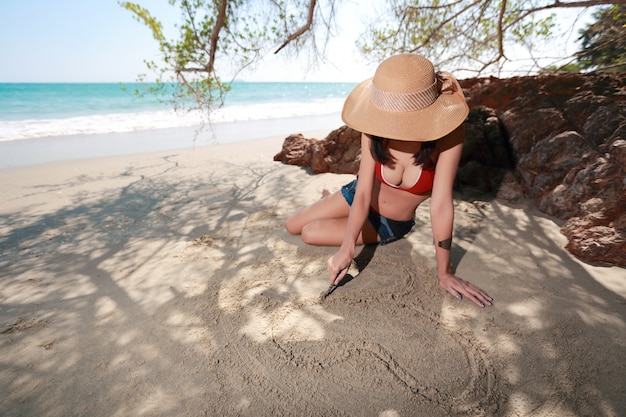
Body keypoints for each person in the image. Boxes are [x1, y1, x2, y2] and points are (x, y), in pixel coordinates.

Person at [285, 54, 492, 308]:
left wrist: (444, 272)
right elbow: (362, 193)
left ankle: (331, 205)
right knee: (292, 224)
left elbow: (441, 206)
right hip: (358, 196)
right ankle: (332, 202)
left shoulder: (447, 134)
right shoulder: (374, 126)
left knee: (310, 233)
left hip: (389, 222)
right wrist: (347, 249)